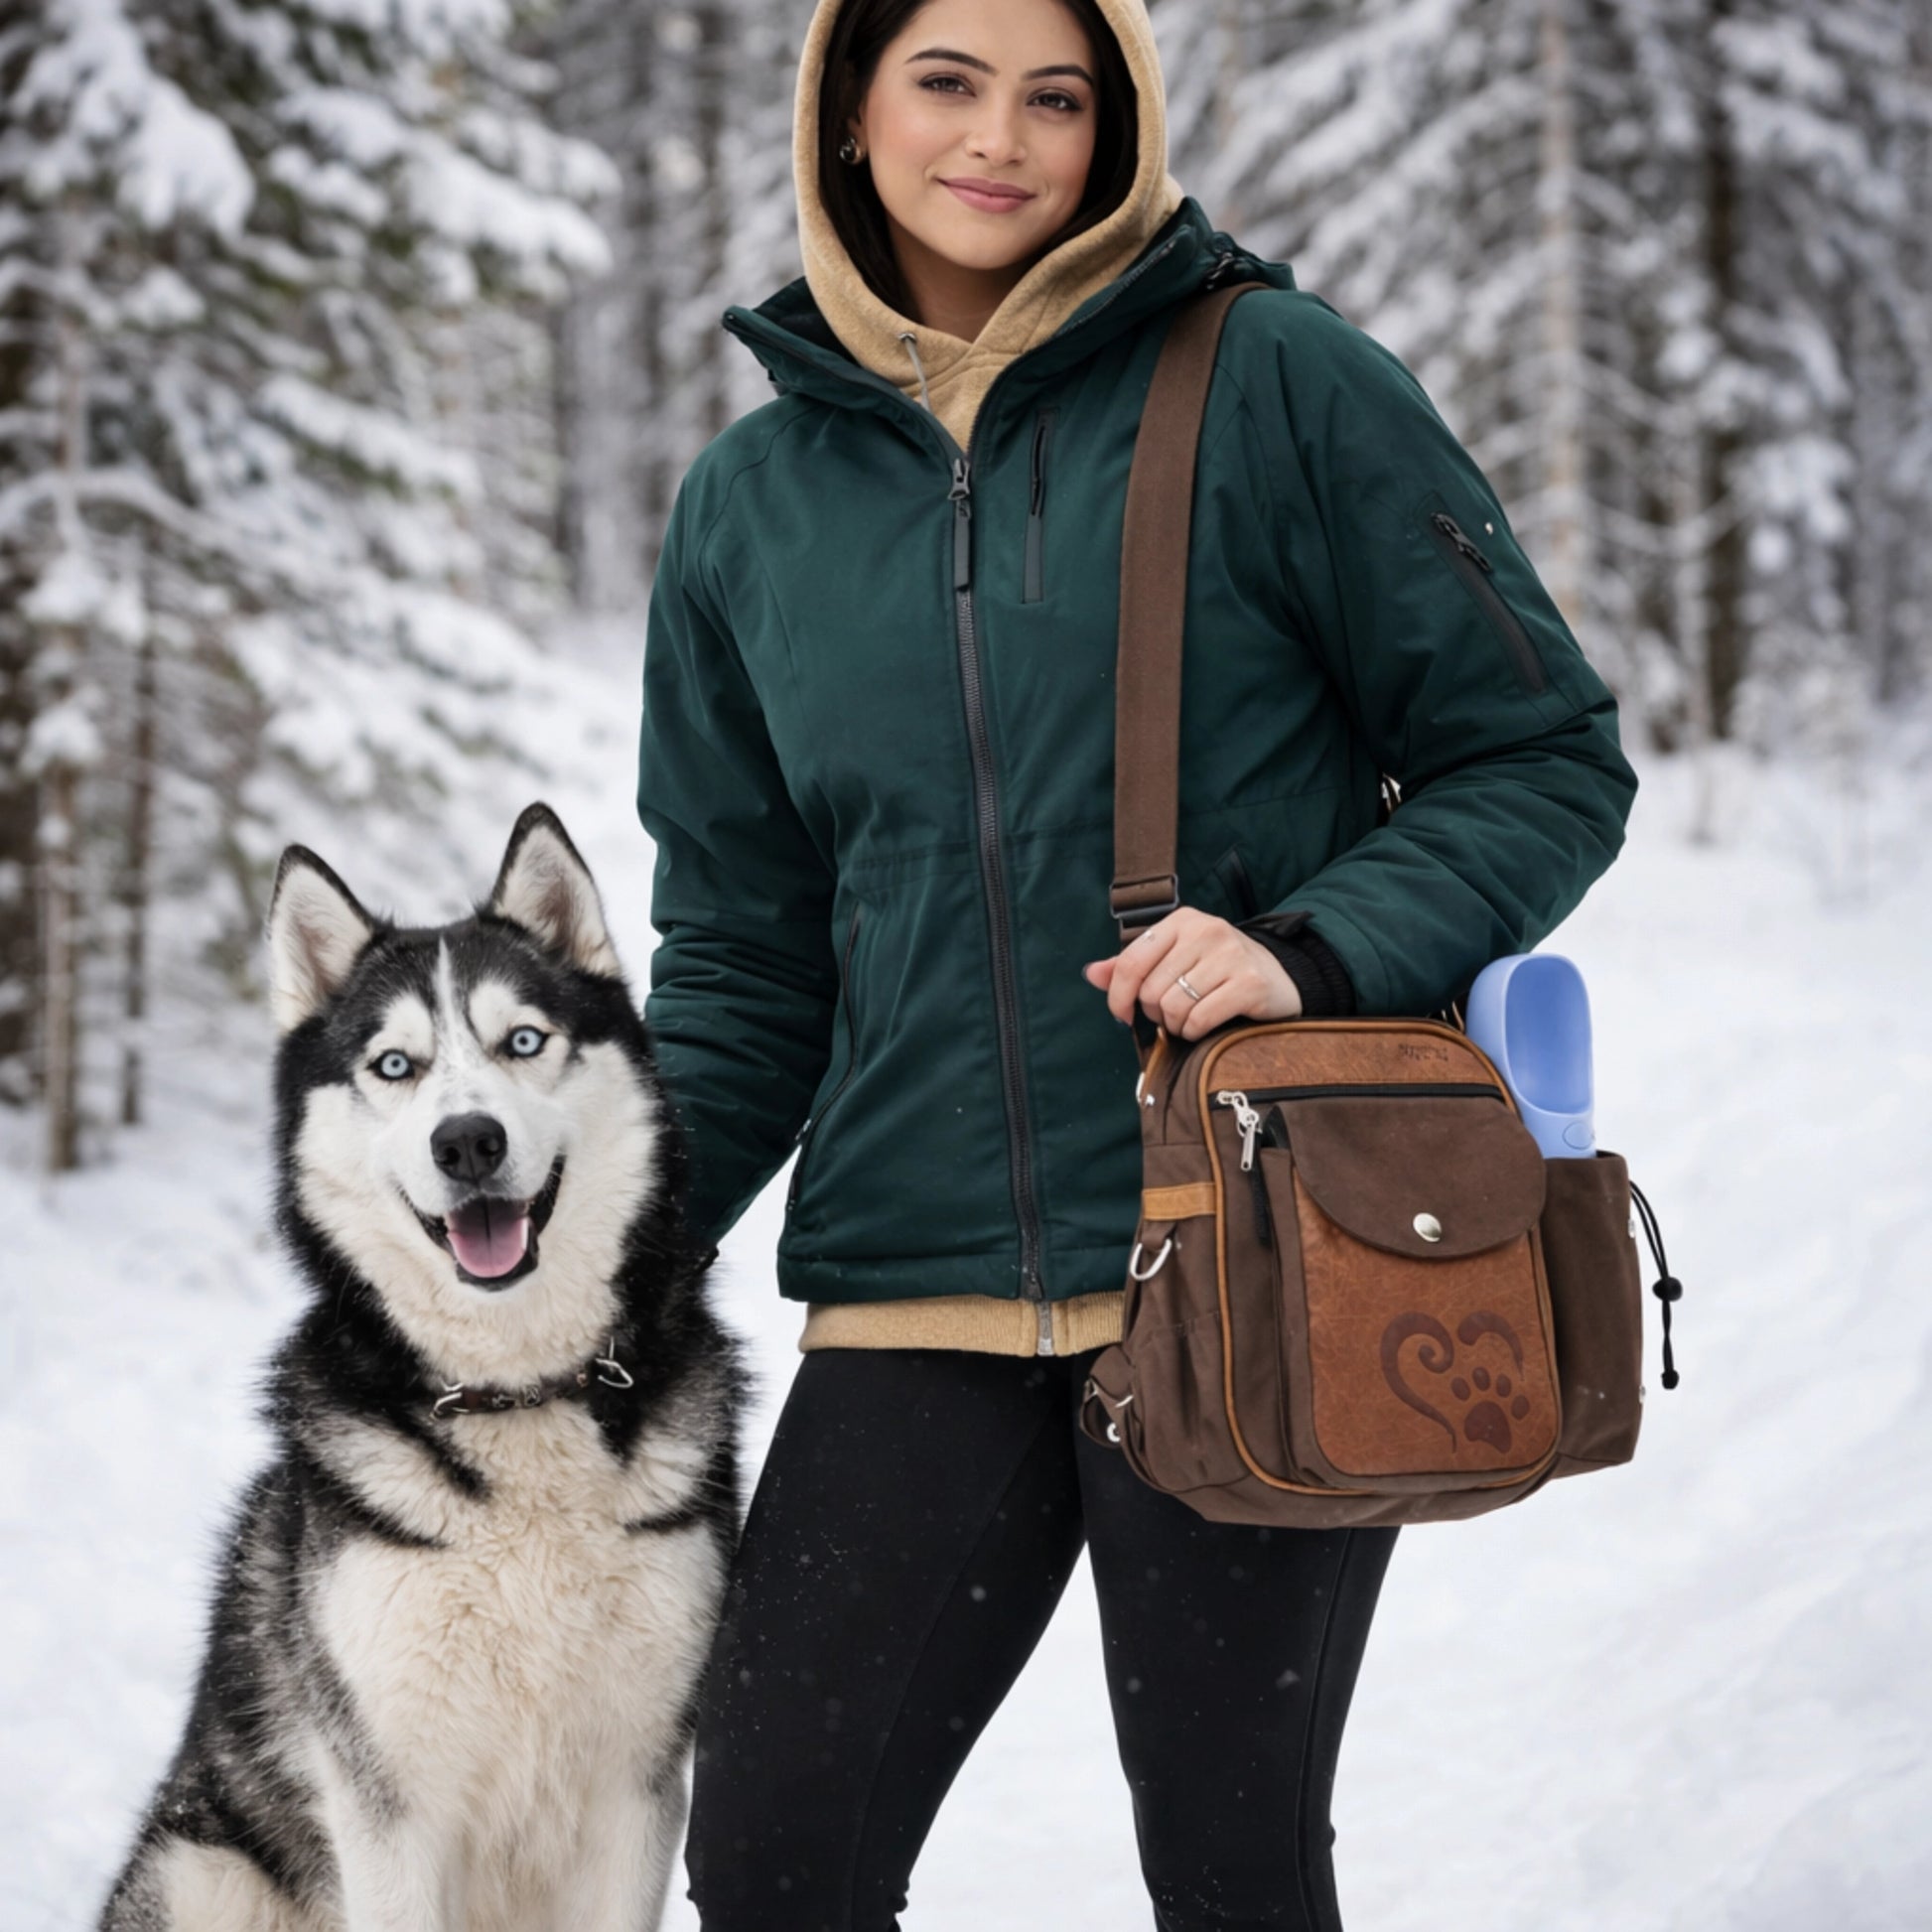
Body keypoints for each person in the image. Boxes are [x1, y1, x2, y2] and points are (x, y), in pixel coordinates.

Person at [633, 0, 1638, 1924]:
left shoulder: (1278, 381)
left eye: (1057, 94)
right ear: (847, 112)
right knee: (774, 1852)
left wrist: (1312, 946)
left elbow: (1547, 757)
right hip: (914, 1286)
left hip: (1244, 1259)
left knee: (1231, 1867)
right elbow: (745, 958)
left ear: (1119, 125)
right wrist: (618, 1249)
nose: (999, 136)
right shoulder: (747, 511)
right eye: (943, 79)